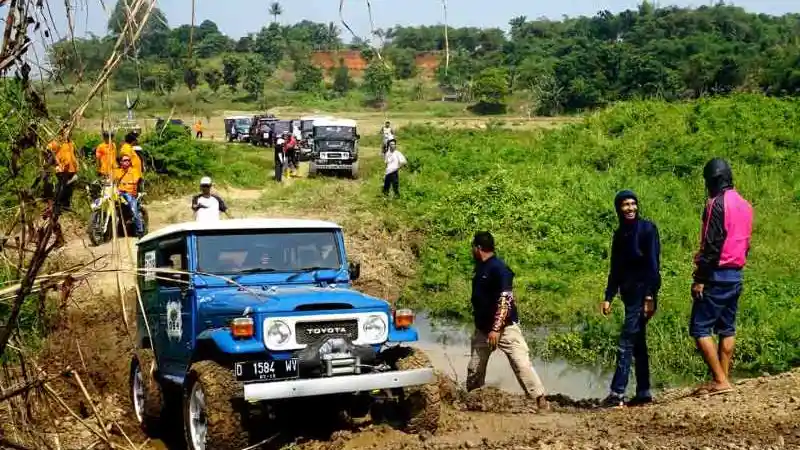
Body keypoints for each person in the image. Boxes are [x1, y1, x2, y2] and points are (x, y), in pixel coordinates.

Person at [689, 158, 753, 396]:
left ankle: (720, 380)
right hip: (736, 274)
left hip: (716, 274)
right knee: (727, 328)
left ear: (712, 181)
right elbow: (746, 243)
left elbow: (711, 244)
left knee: (700, 329)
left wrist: (700, 278)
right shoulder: (745, 205)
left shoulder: (715, 204)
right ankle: (723, 379)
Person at [466, 231, 549, 410]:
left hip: (505, 328)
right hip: (482, 329)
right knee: (475, 368)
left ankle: (539, 400)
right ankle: (472, 400)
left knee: (521, 364)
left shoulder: (499, 269)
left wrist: (496, 329)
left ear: (478, 248)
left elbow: (505, 300)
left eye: (473, 247)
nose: (472, 251)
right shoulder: (480, 267)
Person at [600, 190, 661, 407]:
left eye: (633, 204)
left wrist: (650, 296)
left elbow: (653, 265)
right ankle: (643, 391)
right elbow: (615, 268)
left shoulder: (647, 230)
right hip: (628, 293)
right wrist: (609, 296)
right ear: (619, 208)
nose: (630, 208)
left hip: (643, 293)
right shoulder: (620, 234)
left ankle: (617, 394)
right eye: (625, 205)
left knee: (626, 342)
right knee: (637, 343)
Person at [113, 155, 145, 238]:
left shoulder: (134, 171)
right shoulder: (118, 171)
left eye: (128, 160)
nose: (127, 161)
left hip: (129, 193)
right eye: (125, 160)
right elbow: (112, 179)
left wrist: (127, 183)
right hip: (118, 192)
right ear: (121, 162)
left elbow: (135, 180)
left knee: (133, 210)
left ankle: (140, 231)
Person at [47, 136, 78, 212]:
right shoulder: (57, 142)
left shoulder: (70, 143)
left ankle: (65, 204)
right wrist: (54, 162)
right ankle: (56, 204)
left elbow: (73, 154)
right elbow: (48, 149)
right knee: (61, 186)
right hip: (62, 169)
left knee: (69, 185)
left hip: (71, 169)